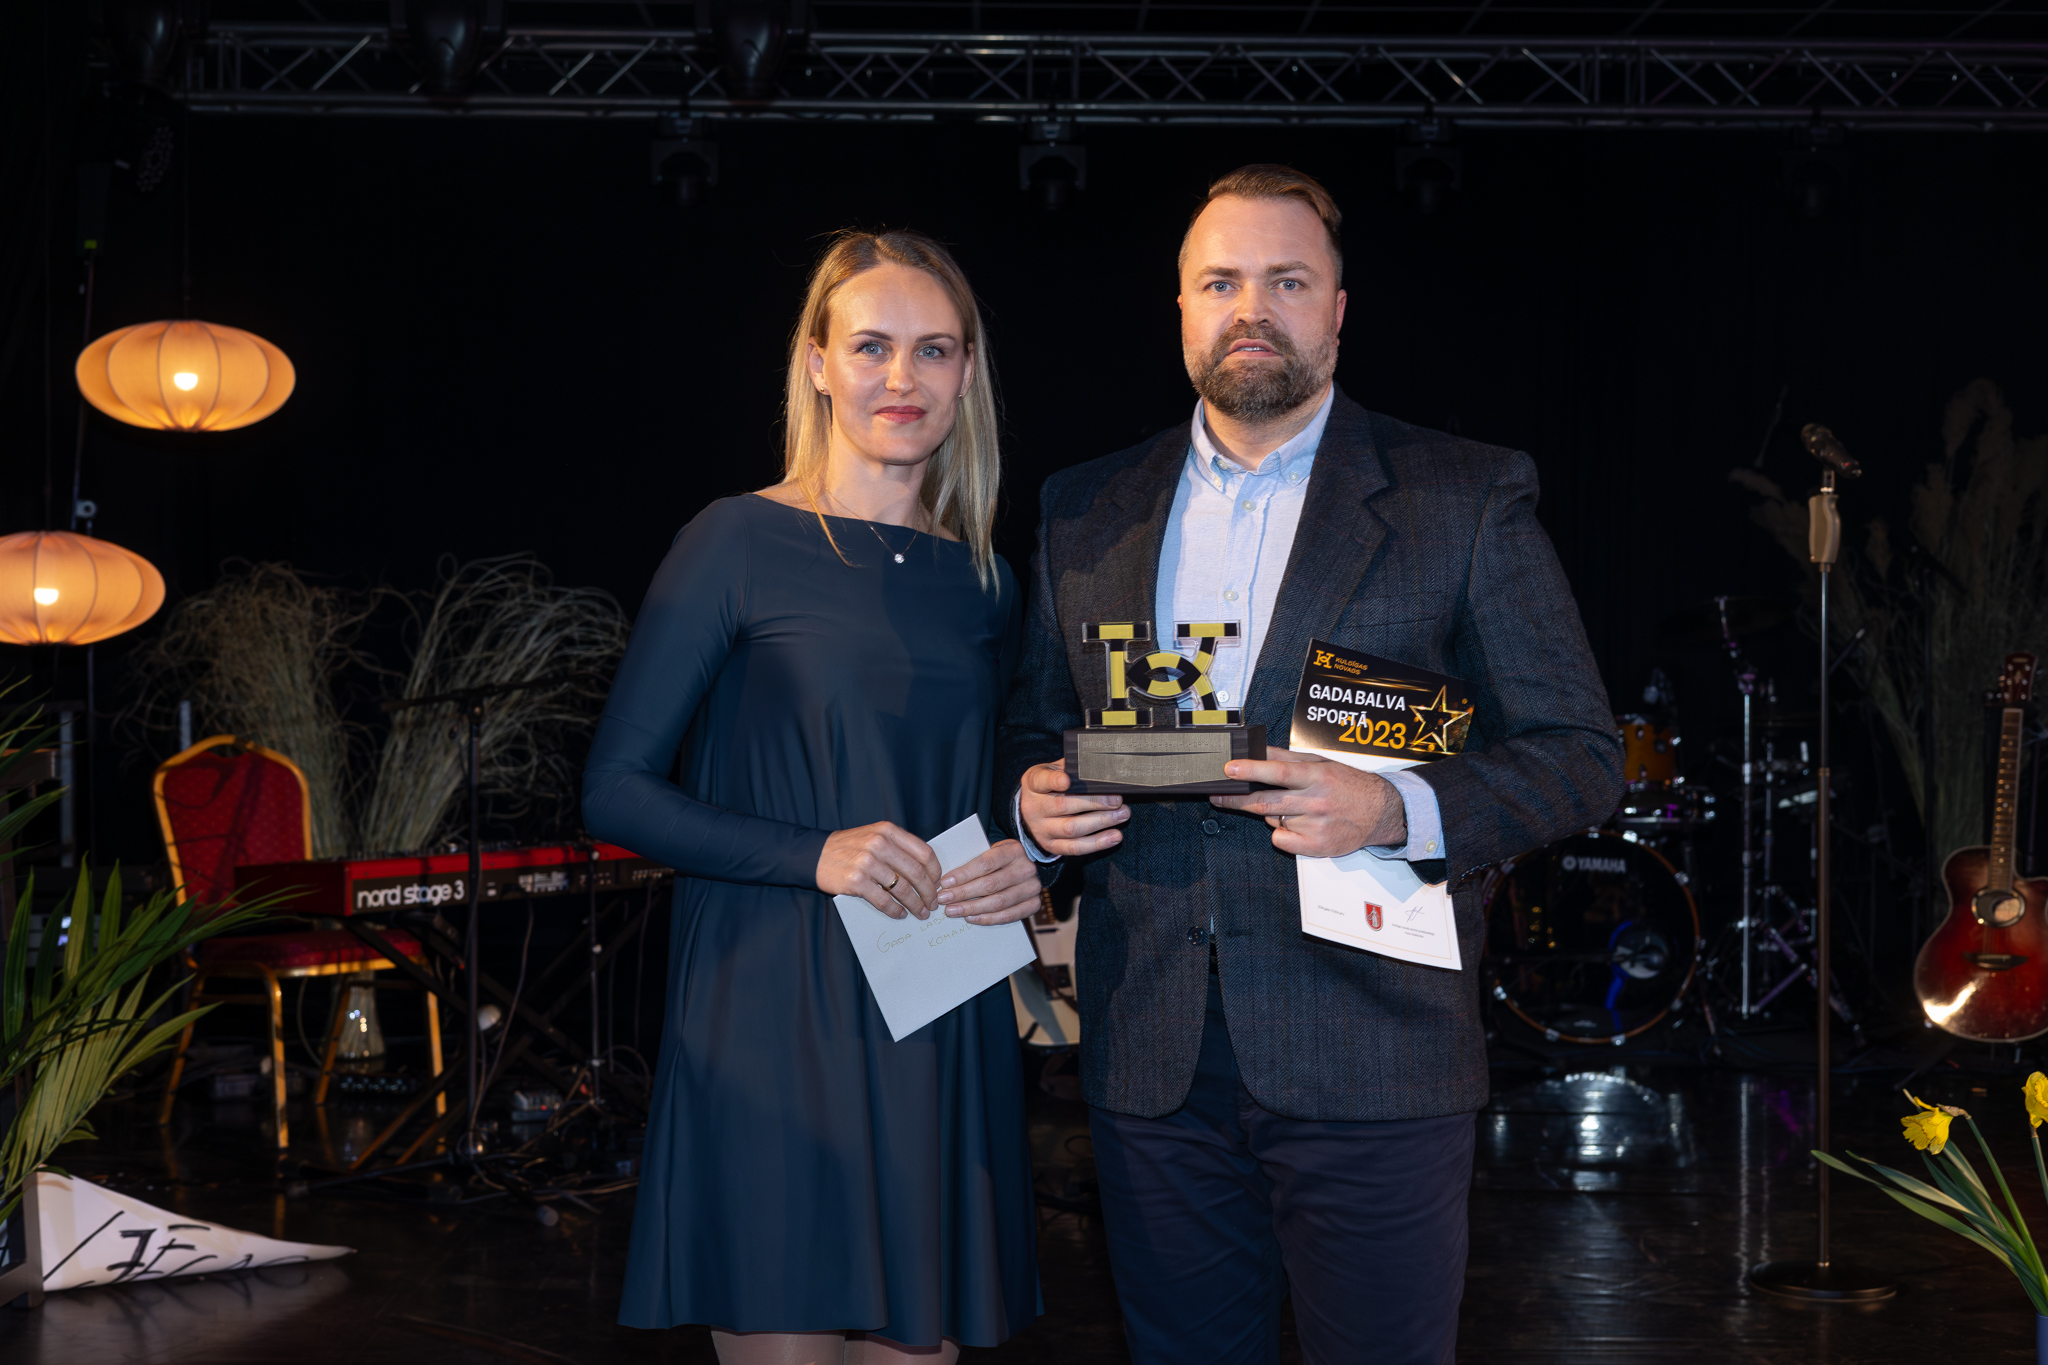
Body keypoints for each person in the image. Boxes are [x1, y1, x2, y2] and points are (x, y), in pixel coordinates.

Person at [996, 165, 1623, 1365]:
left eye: (1285, 281)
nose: (1250, 308)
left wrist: (1393, 806)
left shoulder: (1460, 495)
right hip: (1148, 1052)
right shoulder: (1083, 508)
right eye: (1219, 282)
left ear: (1337, 310)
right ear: (1179, 308)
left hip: (1374, 1049)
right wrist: (1029, 804)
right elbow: (1033, 727)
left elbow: (1581, 756)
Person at [584, 229, 1042, 1365]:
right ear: (818, 363)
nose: (902, 377)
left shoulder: (986, 581)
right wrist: (816, 853)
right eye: (872, 346)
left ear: (967, 375)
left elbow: (986, 785)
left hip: (938, 1005)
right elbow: (615, 792)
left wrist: (1020, 855)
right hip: (771, 1010)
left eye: (934, 349)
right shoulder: (735, 540)